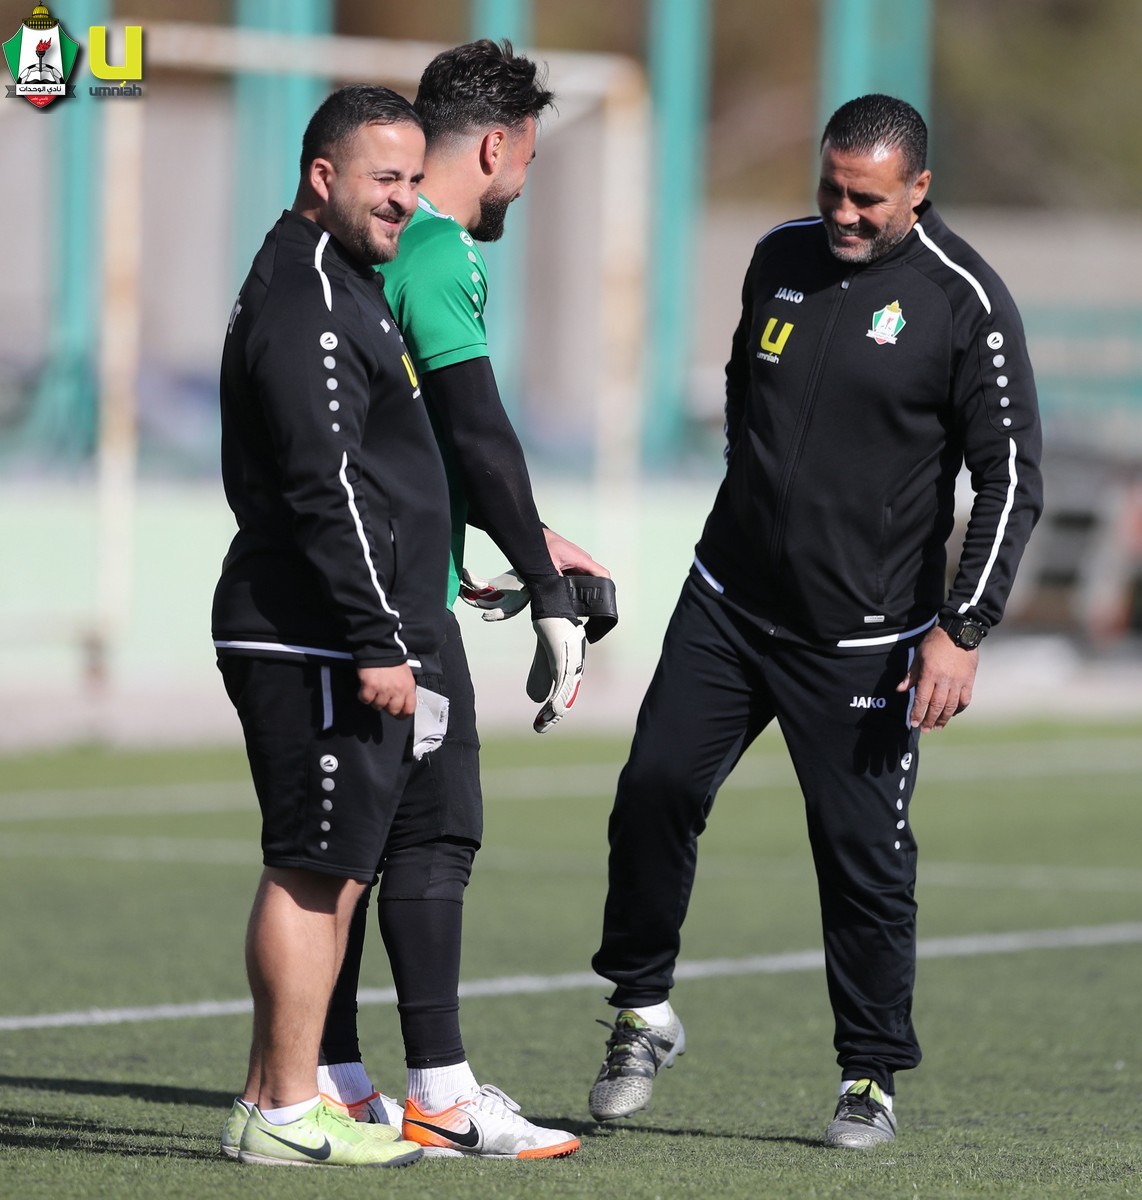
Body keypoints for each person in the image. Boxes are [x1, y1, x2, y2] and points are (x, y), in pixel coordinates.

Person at [586, 94, 1043, 1149]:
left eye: (866, 199)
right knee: (654, 786)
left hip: (865, 643)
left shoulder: (964, 300)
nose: (842, 213)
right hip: (728, 602)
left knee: (860, 855)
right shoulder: (778, 255)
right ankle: (641, 1010)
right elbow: (747, 394)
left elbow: (1011, 477)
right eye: (830, 189)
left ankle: (868, 1075)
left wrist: (961, 627)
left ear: (917, 189)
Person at [313, 41, 609, 1160]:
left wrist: (515, 539)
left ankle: (334, 1079)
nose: (522, 184)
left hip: (348, 576)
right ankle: (438, 1092)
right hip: (394, 601)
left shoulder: (338, 251)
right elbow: (476, 429)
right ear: (496, 146)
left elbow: (413, 438)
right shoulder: (437, 251)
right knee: (435, 832)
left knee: (344, 844)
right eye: (526, 160)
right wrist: (547, 587)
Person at [211, 85, 447, 1169]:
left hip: (331, 628)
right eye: (383, 178)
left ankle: (280, 1099)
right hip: (310, 632)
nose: (404, 200)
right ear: (324, 176)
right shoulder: (308, 294)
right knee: (311, 867)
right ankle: (283, 1112)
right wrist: (377, 637)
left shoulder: (342, 282)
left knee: (338, 868)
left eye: (414, 179)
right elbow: (327, 484)